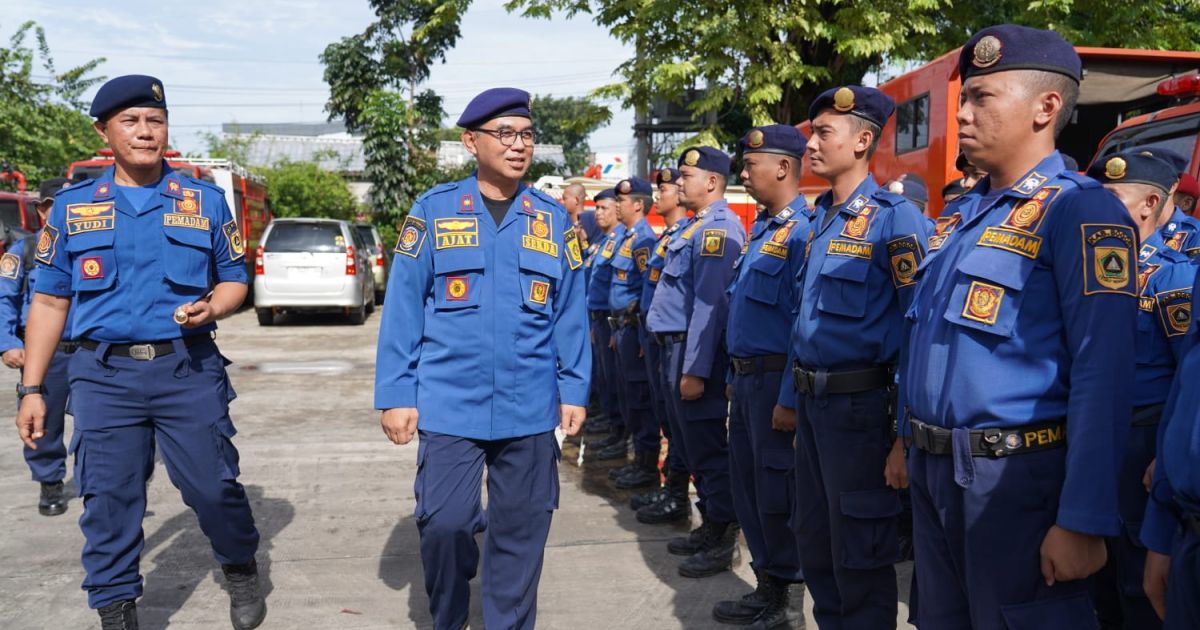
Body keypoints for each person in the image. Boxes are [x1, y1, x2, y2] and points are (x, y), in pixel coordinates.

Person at [901, 26, 1139, 629]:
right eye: (966, 96)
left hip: (1015, 484)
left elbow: (1103, 371)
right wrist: (904, 440)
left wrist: (1084, 518)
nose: (963, 113)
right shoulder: (960, 216)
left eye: (983, 97)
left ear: (1046, 107)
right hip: (936, 475)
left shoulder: (1081, 210)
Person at [14, 75, 264, 630]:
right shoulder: (73, 209)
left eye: (156, 120)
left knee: (213, 486)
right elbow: (50, 302)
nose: (146, 131)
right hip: (103, 376)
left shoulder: (202, 199)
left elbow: (233, 279)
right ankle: (116, 609)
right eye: (131, 121)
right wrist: (33, 389)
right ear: (105, 131)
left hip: (188, 367)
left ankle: (240, 563)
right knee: (108, 499)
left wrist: (215, 309)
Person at [374, 87, 590, 630]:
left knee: (522, 532)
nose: (519, 145)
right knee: (445, 525)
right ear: (472, 141)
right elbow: (402, 307)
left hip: (530, 403)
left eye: (526, 135)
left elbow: (571, 312)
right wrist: (397, 394)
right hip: (450, 402)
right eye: (504, 134)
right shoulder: (434, 210)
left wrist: (574, 389)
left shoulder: (554, 220)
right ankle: (449, 618)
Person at [773, 84, 930, 629]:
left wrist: (903, 437)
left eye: (822, 133)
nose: (810, 145)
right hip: (814, 409)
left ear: (863, 139)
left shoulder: (895, 218)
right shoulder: (816, 224)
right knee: (815, 541)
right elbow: (803, 322)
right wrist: (789, 398)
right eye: (810, 133)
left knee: (859, 553)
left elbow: (918, 329)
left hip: (863, 410)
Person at [1083, 150, 1193, 630]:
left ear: (1150, 203)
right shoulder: (1092, 265)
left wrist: (1163, 457)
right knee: (1095, 572)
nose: (1099, 211)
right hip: (1095, 436)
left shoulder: (1173, 275)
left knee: (1137, 576)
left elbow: (1187, 375)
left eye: (1113, 200)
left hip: (1141, 440)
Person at [714, 124, 811, 629]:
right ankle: (767, 587)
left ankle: (789, 602)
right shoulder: (763, 230)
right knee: (750, 488)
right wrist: (734, 371)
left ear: (783, 167)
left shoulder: (802, 231)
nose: (745, 172)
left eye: (752, 165)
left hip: (777, 382)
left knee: (778, 491)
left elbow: (803, 321)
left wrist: (790, 395)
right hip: (748, 380)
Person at [646, 146, 746, 578]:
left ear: (711, 182)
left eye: (687, 175)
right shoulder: (694, 227)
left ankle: (723, 537)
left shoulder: (719, 230)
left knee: (706, 447)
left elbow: (710, 307)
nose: (678, 182)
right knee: (689, 445)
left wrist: (695, 369)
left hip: (692, 350)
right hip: (674, 348)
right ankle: (710, 524)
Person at [1, 177, 73, 517]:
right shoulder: (25, 251)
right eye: (57, 206)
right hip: (46, 355)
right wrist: (8, 343)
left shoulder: (94, 247)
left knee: (101, 424)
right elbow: (3, 300)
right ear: (43, 211)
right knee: (44, 422)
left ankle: (101, 483)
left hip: (93, 350)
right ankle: (50, 481)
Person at [632, 167, 693, 522]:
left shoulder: (695, 233)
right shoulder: (669, 236)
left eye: (665, 189)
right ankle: (672, 488)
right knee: (668, 420)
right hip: (658, 338)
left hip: (679, 343)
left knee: (682, 427)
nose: (660, 195)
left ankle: (679, 497)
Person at [606, 176, 662, 489]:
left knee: (640, 399)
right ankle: (639, 460)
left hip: (634, 328)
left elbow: (645, 291)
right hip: (622, 328)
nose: (617, 206)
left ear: (638, 205)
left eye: (622, 202)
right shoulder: (629, 237)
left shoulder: (642, 240)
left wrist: (643, 334)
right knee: (630, 395)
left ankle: (647, 466)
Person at [587, 190, 627, 453]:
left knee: (619, 382)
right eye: (597, 208)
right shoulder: (605, 240)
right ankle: (613, 425)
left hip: (614, 320)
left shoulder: (626, 239)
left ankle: (622, 434)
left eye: (604, 208)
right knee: (606, 377)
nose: (598, 213)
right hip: (599, 318)